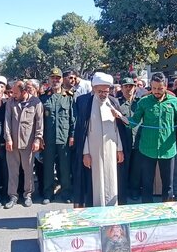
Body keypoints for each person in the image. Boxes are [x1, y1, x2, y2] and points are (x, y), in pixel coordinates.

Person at [124, 73, 177, 203]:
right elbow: (134, 121)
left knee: (168, 185)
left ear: (165, 87)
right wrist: (122, 118)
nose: (156, 92)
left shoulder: (174, 101)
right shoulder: (144, 102)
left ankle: (167, 211)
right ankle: (148, 213)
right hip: (147, 149)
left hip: (168, 149)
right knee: (147, 185)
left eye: (159, 88)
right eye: (153, 88)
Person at [73, 73, 125, 207]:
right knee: (95, 181)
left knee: (111, 178)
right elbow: (82, 131)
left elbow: (118, 128)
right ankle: (96, 209)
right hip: (93, 150)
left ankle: (112, 208)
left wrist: (120, 149)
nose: (103, 94)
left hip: (111, 148)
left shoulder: (114, 102)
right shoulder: (85, 103)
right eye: (100, 91)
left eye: (106, 91)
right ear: (94, 89)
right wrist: (85, 153)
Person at [3, 81, 43, 208]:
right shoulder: (10, 102)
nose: (13, 95)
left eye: (15, 93)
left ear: (24, 92)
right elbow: (7, 121)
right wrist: (8, 138)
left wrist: (37, 140)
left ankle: (28, 195)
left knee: (28, 170)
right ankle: (13, 196)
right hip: (12, 144)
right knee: (13, 171)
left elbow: (39, 123)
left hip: (28, 143)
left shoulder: (36, 102)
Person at [39, 68, 75, 204]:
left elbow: (73, 119)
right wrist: (40, 138)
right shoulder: (43, 98)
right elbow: (40, 121)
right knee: (48, 168)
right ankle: (48, 194)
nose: (55, 80)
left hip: (64, 138)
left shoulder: (69, 98)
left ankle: (66, 193)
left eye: (58, 78)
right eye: (53, 78)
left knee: (65, 168)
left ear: (61, 80)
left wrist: (72, 136)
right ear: (49, 80)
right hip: (48, 139)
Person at [118, 78, 140, 203]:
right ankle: (122, 193)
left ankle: (135, 191)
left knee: (136, 170)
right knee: (122, 169)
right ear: (122, 88)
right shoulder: (117, 103)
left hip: (137, 140)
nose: (128, 89)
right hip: (123, 141)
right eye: (126, 86)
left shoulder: (140, 102)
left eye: (131, 86)